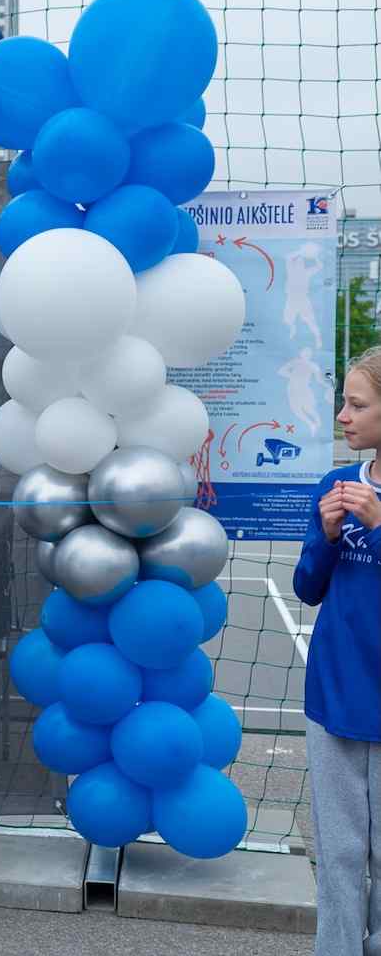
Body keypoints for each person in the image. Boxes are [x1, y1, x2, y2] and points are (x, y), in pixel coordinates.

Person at [294, 344, 381, 955]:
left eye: (358, 405)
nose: (342, 416)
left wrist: (378, 528)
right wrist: (327, 536)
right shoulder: (336, 484)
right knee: (340, 851)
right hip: (335, 693)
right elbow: (307, 587)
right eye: (342, 403)